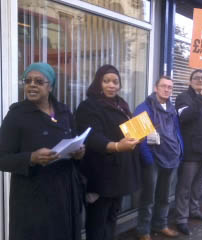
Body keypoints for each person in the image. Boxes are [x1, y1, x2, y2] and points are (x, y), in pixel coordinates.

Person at [0, 62, 85, 240]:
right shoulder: (16, 116)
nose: (32, 85)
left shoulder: (64, 111)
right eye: (28, 80)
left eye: (39, 81)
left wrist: (78, 153)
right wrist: (32, 157)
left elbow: (75, 141)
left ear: (50, 86)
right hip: (33, 198)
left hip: (64, 192)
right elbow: (2, 158)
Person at [75, 64, 141, 240]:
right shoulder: (88, 106)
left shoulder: (122, 104)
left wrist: (139, 134)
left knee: (112, 218)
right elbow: (92, 136)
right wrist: (117, 146)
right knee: (97, 221)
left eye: (115, 82)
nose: (111, 85)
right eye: (106, 81)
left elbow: (127, 131)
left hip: (119, 175)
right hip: (100, 175)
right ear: (98, 82)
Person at [134, 76, 183, 240]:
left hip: (171, 158)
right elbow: (138, 137)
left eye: (170, 87)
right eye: (163, 86)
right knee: (148, 198)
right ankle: (144, 231)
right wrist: (148, 159)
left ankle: (160, 225)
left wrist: (180, 149)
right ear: (156, 88)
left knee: (164, 196)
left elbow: (176, 131)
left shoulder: (171, 108)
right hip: (153, 160)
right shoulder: (143, 108)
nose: (167, 89)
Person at [175, 69, 202, 235]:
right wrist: (200, 98)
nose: (200, 80)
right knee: (185, 187)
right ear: (189, 81)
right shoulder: (183, 97)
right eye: (197, 78)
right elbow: (185, 117)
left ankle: (194, 210)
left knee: (197, 185)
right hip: (191, 151)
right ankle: (181, 219)